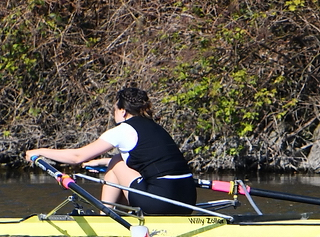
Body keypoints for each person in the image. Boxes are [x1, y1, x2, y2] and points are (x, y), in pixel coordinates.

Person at [24, 87, 197, 215]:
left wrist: (39, 151)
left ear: (122, 111)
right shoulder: (156, 129)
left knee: (116, 162)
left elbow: (77, 156)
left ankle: (106, 215)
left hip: (160, 204)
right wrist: (100, 162)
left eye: (114, 109)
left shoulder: (123, 130)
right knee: (115, 161)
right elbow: (148, 161)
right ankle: (119, 214)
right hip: (188, 200)